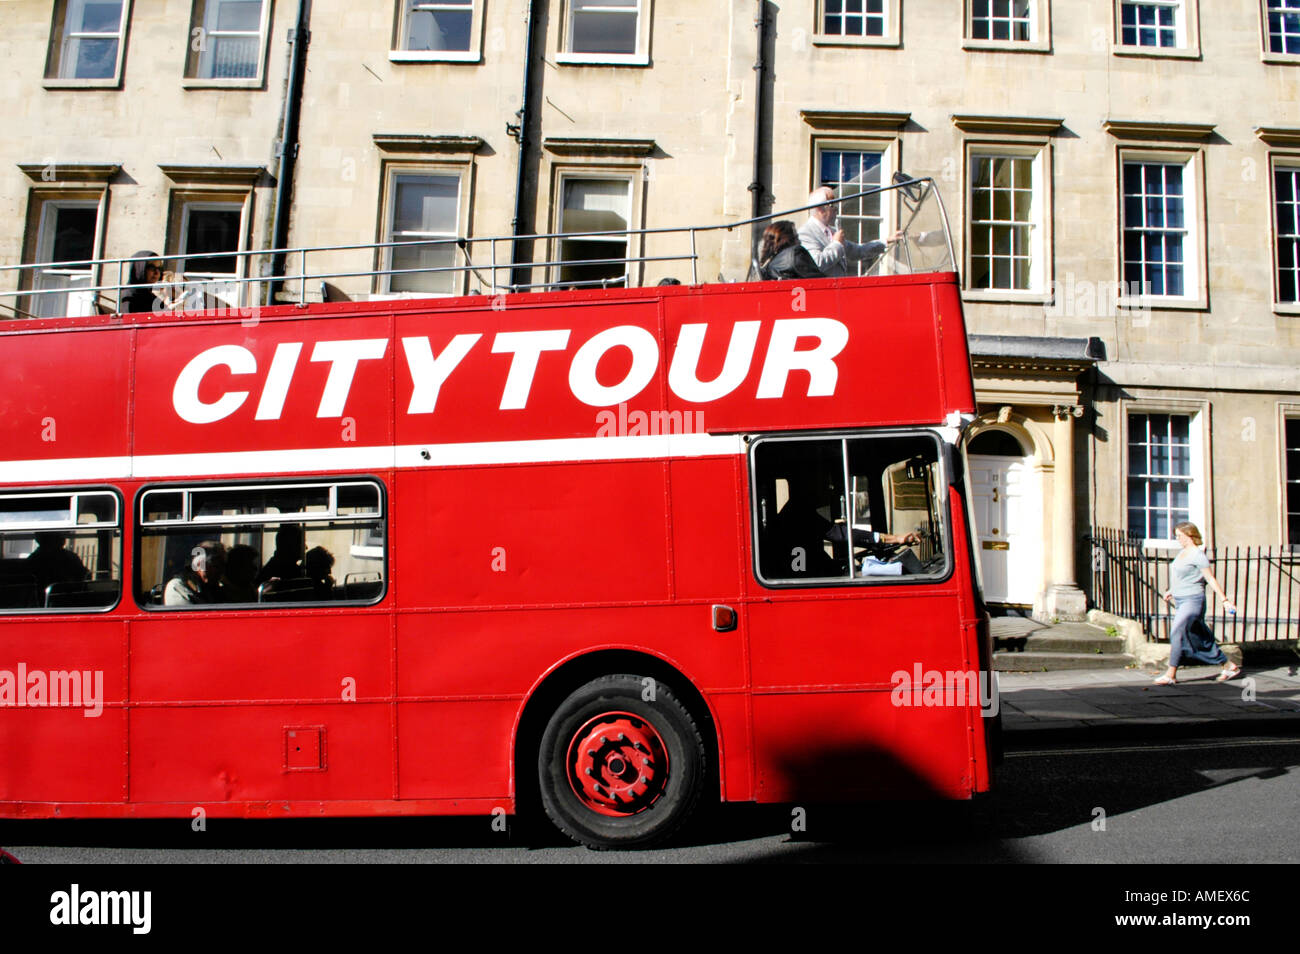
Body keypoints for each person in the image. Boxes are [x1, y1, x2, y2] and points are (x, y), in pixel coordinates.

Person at [1153, 522, 1241, 685]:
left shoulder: (1198, 555)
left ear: (1189, 535)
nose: (1177, 538)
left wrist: (1225, 600)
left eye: (1179, 535)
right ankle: (1228, 665)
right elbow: (1182, 577)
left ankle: (1170, 674)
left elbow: (1210, 579)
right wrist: (1172, 590)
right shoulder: (1182, 553)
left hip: (1193, 600)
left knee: (1177, 632)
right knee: (1199, 636)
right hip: (1180, 600)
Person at [798, 186, 901, 277]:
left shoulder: (831, 232)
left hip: (838, 292)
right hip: (822, 294)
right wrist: (836, 244)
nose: (836, 209)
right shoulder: (805, 233)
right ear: (820, 209)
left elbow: (857, 251)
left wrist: (885, 241)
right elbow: (817, 263)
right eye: (832, 204)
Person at [164, 541, 226, 606]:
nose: (220, 571)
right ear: (199, 564)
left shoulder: (215, 589)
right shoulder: (177, 586)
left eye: (223, 566)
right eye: (216, 566)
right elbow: (184, 615)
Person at [758, 221, 824, 280]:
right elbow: (818, 279)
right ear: (788, 239)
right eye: (796, 237)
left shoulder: (771, 263)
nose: (800, 241)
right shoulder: (796, 253)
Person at [23, 532, 89, 590]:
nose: (63, 539)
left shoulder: (70, 556)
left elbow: (84, 575)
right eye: (58, 536)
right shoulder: (36, 559)